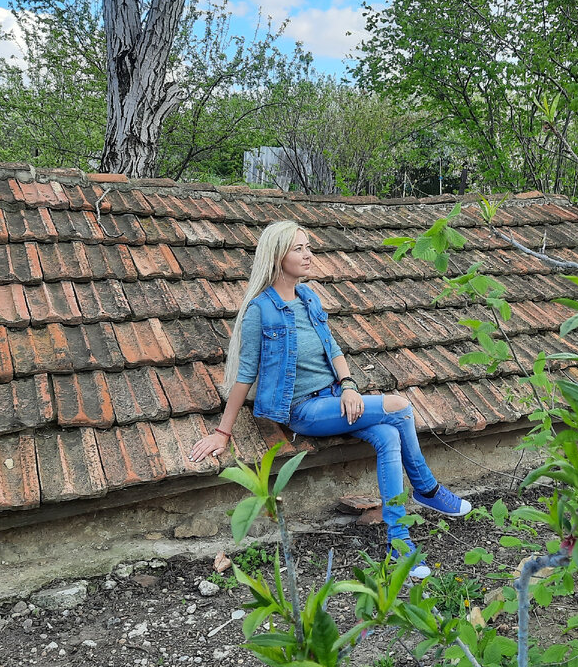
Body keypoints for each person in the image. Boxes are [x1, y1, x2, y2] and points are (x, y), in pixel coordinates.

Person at [188, 220, 471, 579]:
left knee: (387, 436)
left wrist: (350, 386)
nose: (309, 254)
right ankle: (427, 489)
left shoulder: (308, 296)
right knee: (399, 407)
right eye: (299, 248)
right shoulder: (262, 310)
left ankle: (399, 545)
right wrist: (222, 433)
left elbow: (333, 348)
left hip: (338, 397)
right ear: (277, 257)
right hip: (304, 410)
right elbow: (245, 375)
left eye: (308, 247)